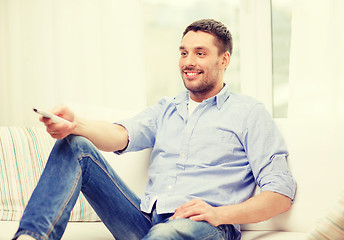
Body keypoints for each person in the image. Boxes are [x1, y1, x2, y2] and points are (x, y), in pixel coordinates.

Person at [13, 19, 296, 240]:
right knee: (75, 145)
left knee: (167, 234)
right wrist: (76, 125)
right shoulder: (165, 109)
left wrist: (219, 214)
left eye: (200, 53)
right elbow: (120, 136)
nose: (189, 62)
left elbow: (280, 194)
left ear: (224, 60)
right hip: (146, 221)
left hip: (206, 227)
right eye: (184, 53)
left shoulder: (250, 113)